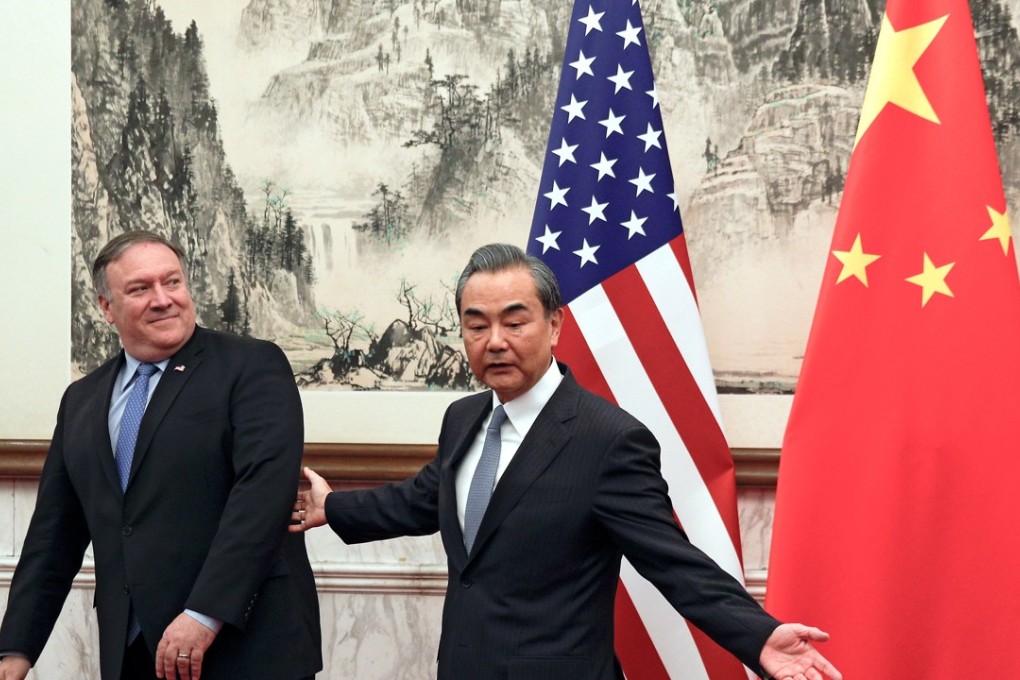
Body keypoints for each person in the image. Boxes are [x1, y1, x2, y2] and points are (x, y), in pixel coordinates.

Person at [291, 243, 841, 680]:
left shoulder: (609, 440)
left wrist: (759, 637)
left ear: (554, 325)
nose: (495, 341)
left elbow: (673, 562)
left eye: (515, 322)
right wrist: (331, 507)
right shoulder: (464, 418)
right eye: (477, 325)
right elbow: (424, 498)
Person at [0, 231, 322, 680]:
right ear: (107, 307)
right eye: (140, 289)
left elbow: (262, 498)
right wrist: (15, 651)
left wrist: (204, 614)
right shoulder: (81, 400)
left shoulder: (251, 366)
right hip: (133, 654)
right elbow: (53, 536)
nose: (163, 299)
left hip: (246, 649)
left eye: (172, 282)